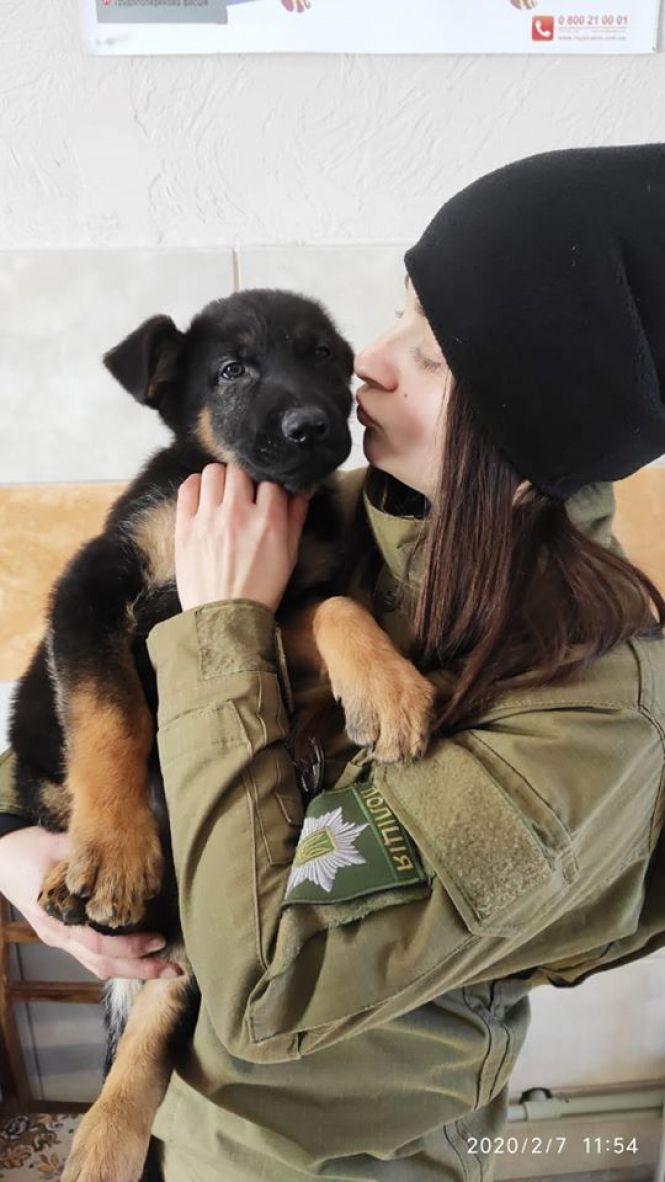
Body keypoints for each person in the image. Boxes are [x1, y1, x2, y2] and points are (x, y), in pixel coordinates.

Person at [2, 142, 665, 1182]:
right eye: (395, 312)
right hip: (177, 1131)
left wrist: (216, 621)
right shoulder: (343, 515)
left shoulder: (586, 721)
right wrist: (14, 841)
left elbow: (270, 988)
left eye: (434, 354)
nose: (368, 365)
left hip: (329, 1157)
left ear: (537, 416)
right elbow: (79, 663)